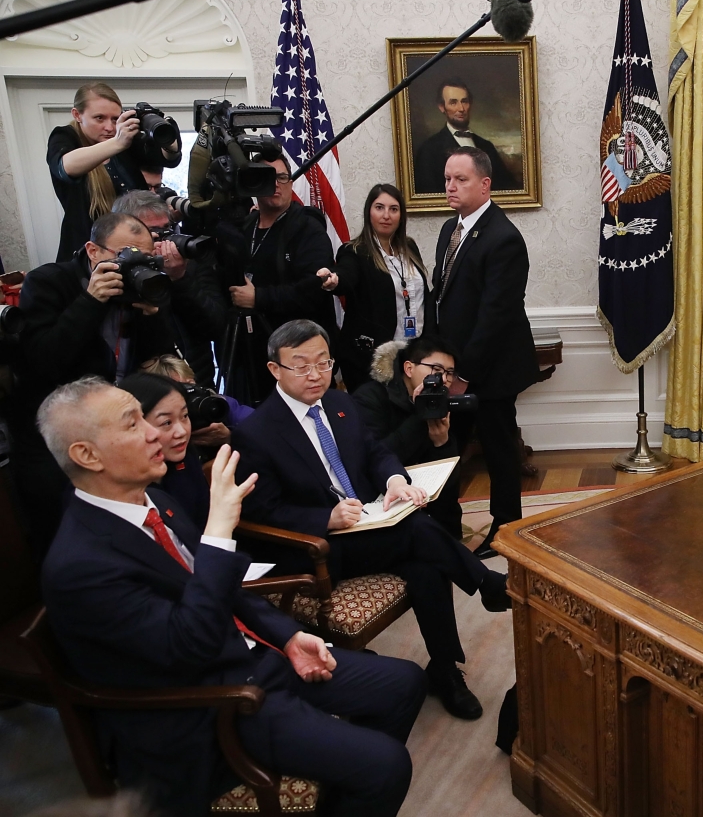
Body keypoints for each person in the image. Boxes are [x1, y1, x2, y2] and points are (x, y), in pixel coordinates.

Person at [38, 377, 426, 816]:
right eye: (133, 425)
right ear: (86, 455)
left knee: (404, 683)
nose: (155, 433)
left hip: (256, 662)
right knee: (387, 766)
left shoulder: (155, 501)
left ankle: (341, 792)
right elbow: (188, 647)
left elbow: (231, 591)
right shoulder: (80, 564)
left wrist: (287, 637)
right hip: (214, 706)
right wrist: (219, 530)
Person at [231, 320, 511, 720]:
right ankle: (486, 584)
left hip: (366, 527)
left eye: (324, 363)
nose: (316, 374)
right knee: (417, 530)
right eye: (301, 365)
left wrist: (395, 479)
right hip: (315, 548)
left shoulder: (340, 405)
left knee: (425, 563)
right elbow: (260, 512)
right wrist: (325, 518)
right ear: (275, 369)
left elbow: (375, 451)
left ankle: (446, 671)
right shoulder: (256, 432)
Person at [11, 213, 178, 559]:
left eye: (143, 257)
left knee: (131, 544)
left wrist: (153, 315)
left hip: (118, 438)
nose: (135, 265)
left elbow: (155, 362)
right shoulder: (48, 282)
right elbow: (43, 363)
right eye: (124, 256)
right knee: (72, 548)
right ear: (93, 251)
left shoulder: (139, 286)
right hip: (53, 444)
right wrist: (90, 302)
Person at [431, 147, 540, 558]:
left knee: (498, 446)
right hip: (453, 364)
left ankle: (506, 526)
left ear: (485, 184)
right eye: (446, 179)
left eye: (460, 179)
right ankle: (444, 522)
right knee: (446, 446)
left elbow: (495, 316)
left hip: (492, 368)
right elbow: (441, 298)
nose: (450, 187)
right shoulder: (449, 229)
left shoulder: (504, 237)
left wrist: (465, 374)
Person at [218, 157, 336, 405]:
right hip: (252, 358)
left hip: (298, 360)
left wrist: (258, 298)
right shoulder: (246, 226)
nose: (277, 185)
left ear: (291, 182)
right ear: (253, 185)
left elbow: (313, 291)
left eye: (283, 177)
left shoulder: (308, 228)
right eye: (268, 178)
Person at [46, 83, 179, 265]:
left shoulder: (126, 139)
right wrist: (118, 143)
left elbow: (167, 159)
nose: (109, 127)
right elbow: (66, 167)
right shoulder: (65, 136)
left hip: (135, 246)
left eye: (115, 119)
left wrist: (167, 138)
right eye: (99, 118)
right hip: (89, 255)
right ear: (77, 115)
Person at [317, 184, 430, 391]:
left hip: (414, 355)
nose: (386, 215)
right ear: (369, 212)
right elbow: (346, 276)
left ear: (401, 215)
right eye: (379, 207)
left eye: (393, 209)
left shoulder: (410, 247)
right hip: (372, 360)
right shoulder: (355, 251)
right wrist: (333, 280)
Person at [113, 190, 227, 388]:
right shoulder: (115, 273)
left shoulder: (191, 262)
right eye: (152, 231)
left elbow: (215, 326)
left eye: (168, 228)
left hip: (194, 380)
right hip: (140, 386)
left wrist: (180, 278)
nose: (164, 239)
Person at [353, 335, 464, 539]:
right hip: (384, 493)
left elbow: (449, 483)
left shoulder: (438, 400)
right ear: (409, 368)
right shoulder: (371, 397)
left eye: (449, 373)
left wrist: (442, 443)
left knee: (447, 532)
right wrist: (418, 415)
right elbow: (373, 458)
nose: (444, 379)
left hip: (424, 493)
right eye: (436, 370)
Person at [118, 372, 209, 527]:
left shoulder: (187, 458)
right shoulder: (121, 485)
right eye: (166, 423)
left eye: (185, 416)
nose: (181, 432)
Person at [413, 78, 518, 194]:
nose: (461, 109)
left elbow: (507, 188)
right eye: (453, 102)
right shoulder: (429, 150)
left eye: (464, 101)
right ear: (442, 107)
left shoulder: (487, 147)